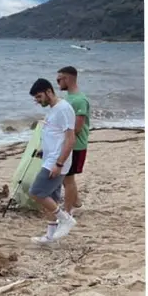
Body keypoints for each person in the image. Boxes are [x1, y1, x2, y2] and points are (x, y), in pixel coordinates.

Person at [27, 78, 77, 244]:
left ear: (49, 91)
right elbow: (55, 135)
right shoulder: (52, 109)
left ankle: (66, 219)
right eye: (36, 98)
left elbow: (70, 139)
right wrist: (44, 151)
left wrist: (59, 163)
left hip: (56, 161)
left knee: (36, 192)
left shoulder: (63, 109)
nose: (38, 100)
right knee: (51, 199)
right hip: (50, 158)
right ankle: (49, 237)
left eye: (39, 96)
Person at [57, 66, 90, 215]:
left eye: (59, 80)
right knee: (65, 177)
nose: (57, 83)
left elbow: (77, 127)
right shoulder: (68, 98)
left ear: (67, 79)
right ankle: (76, 202)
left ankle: (68, 211)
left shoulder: (79, 100)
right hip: (67, 144)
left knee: (67, 178)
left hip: (76, 145)